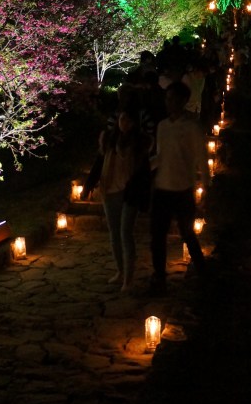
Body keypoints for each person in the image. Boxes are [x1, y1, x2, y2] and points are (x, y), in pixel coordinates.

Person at [148, 81, 209, 295]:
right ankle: (159, 277)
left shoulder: (192, 127)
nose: (169, 102)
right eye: (167, 98)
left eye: (174, 98)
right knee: (157, 236)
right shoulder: (163, 126)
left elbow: (202, 159)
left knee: (187, 233)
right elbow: (161, 155)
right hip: (162, 187)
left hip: (183, 188)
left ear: (183, 101)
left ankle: (204, 274)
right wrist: (143, 166)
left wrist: (206, 188)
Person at [83, 107, 151, 293]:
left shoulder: (139, 143)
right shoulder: (109, 140)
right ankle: (120, 271)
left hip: (130, 193)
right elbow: (98, 164)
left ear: (135, 123)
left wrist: (145, 197)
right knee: (114, 234)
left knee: (125, 233)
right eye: (122, 119)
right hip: (110, 190)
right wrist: (89, 185)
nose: (124, 123)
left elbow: (144, 172)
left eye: (129, 120)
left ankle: (128, 279)